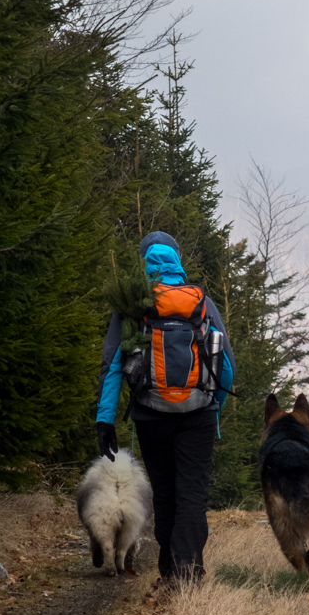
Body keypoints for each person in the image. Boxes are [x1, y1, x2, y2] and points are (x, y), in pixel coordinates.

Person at [95, 231, 235, 585]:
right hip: (198, 412)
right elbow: (228, 364)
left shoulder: (134, 303)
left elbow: (112, 364)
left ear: (145, 261)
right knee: (192, 493)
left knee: (165, 491)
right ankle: (188, 573)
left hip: (151, 413)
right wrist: (213, 406)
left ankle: (169, 569)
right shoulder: (200, 300)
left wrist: (105, 420)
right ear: (177, 258)